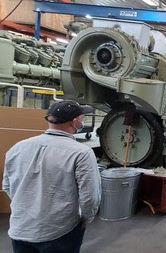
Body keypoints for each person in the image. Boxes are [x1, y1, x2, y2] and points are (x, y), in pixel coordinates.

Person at [2, 100, 101, 253]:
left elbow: (7, 186)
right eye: (82, 118)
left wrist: (27, 206)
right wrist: (86, 218)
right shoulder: (81, 153)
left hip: (20, 228)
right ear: (75, 122)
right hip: (60, 232)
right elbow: (90, 197)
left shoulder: (18, 147)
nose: (83, 121)